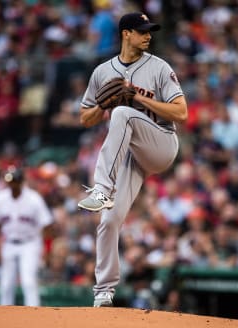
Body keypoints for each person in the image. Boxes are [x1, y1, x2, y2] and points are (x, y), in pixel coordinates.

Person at [77, 12, 188, 307]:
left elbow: (181, 113)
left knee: (123, 113)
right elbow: (85, 117)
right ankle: (104, 292)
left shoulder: (159, 67)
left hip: (162, 143)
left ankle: (101, 188)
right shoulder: (103, 71)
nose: (148, 35)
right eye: (142, 31)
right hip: (132, 153)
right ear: (126, 34)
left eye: (149, 30)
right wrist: (101, 103)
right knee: (109, 220)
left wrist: (137, 99)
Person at [0, 166, 54, 306]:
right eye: (9, 181)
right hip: (9, 243)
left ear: (21, 181)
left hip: (30, 243)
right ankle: (4, 317)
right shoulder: (0, 198)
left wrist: (47, 251)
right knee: (6, 285)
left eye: (15, 180)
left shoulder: (34, 199)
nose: (12, 184)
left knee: (28, 282)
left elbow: (47, 226)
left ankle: (34, 315)